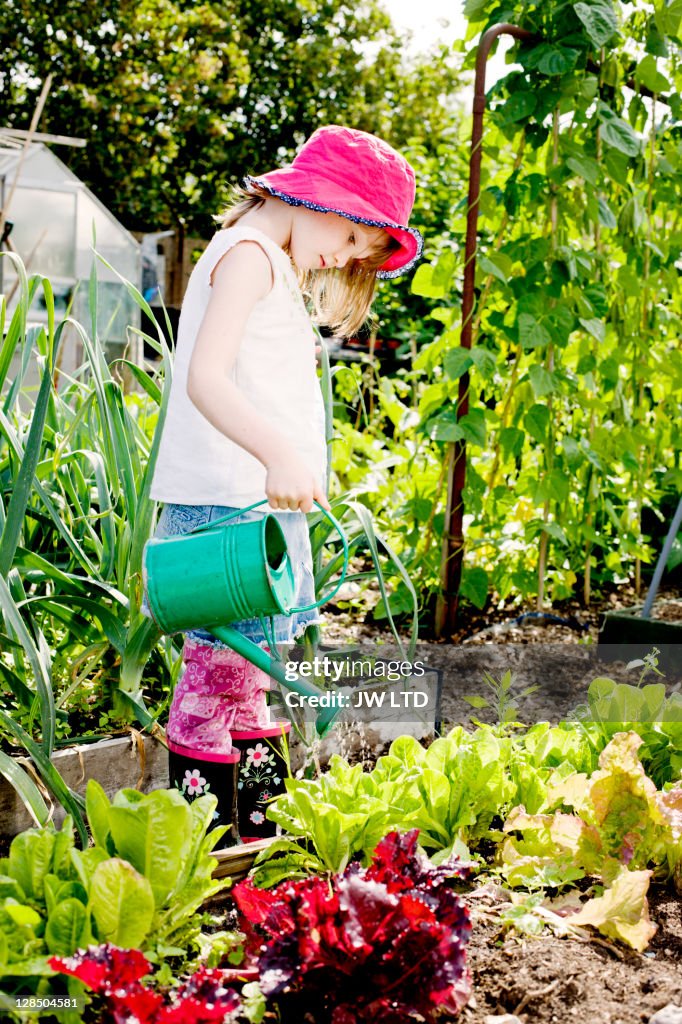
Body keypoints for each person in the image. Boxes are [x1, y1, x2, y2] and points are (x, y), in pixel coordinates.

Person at [147, 124, 423, 835]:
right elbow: (204, 377)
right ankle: (200, 846)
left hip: (256, 505)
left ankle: (258, 830)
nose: (345, 257)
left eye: (362, 254)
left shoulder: (270, 260)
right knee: (216, 680)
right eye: (356, 237)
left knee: (253, 678)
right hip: (224, 506)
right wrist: (278, 453)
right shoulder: (247, 257)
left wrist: (295, 465)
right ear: (320, 198)